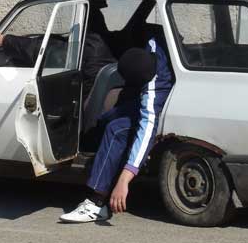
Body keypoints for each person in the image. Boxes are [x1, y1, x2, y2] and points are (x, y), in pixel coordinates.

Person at [59, 37, 173, 223]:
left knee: (116, 129)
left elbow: (146, 134)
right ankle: (102, 163)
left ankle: (97, 202)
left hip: (165, 104)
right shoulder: (153, 45)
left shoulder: (152, 94)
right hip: (142, 97)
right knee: (106, 118)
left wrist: (124, 179)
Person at [0, 2, 116, 100]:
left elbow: (43, 51)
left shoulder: (88, 49)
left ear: (84, 21)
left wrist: (1, 39)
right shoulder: (101, 43)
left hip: (78, 108)